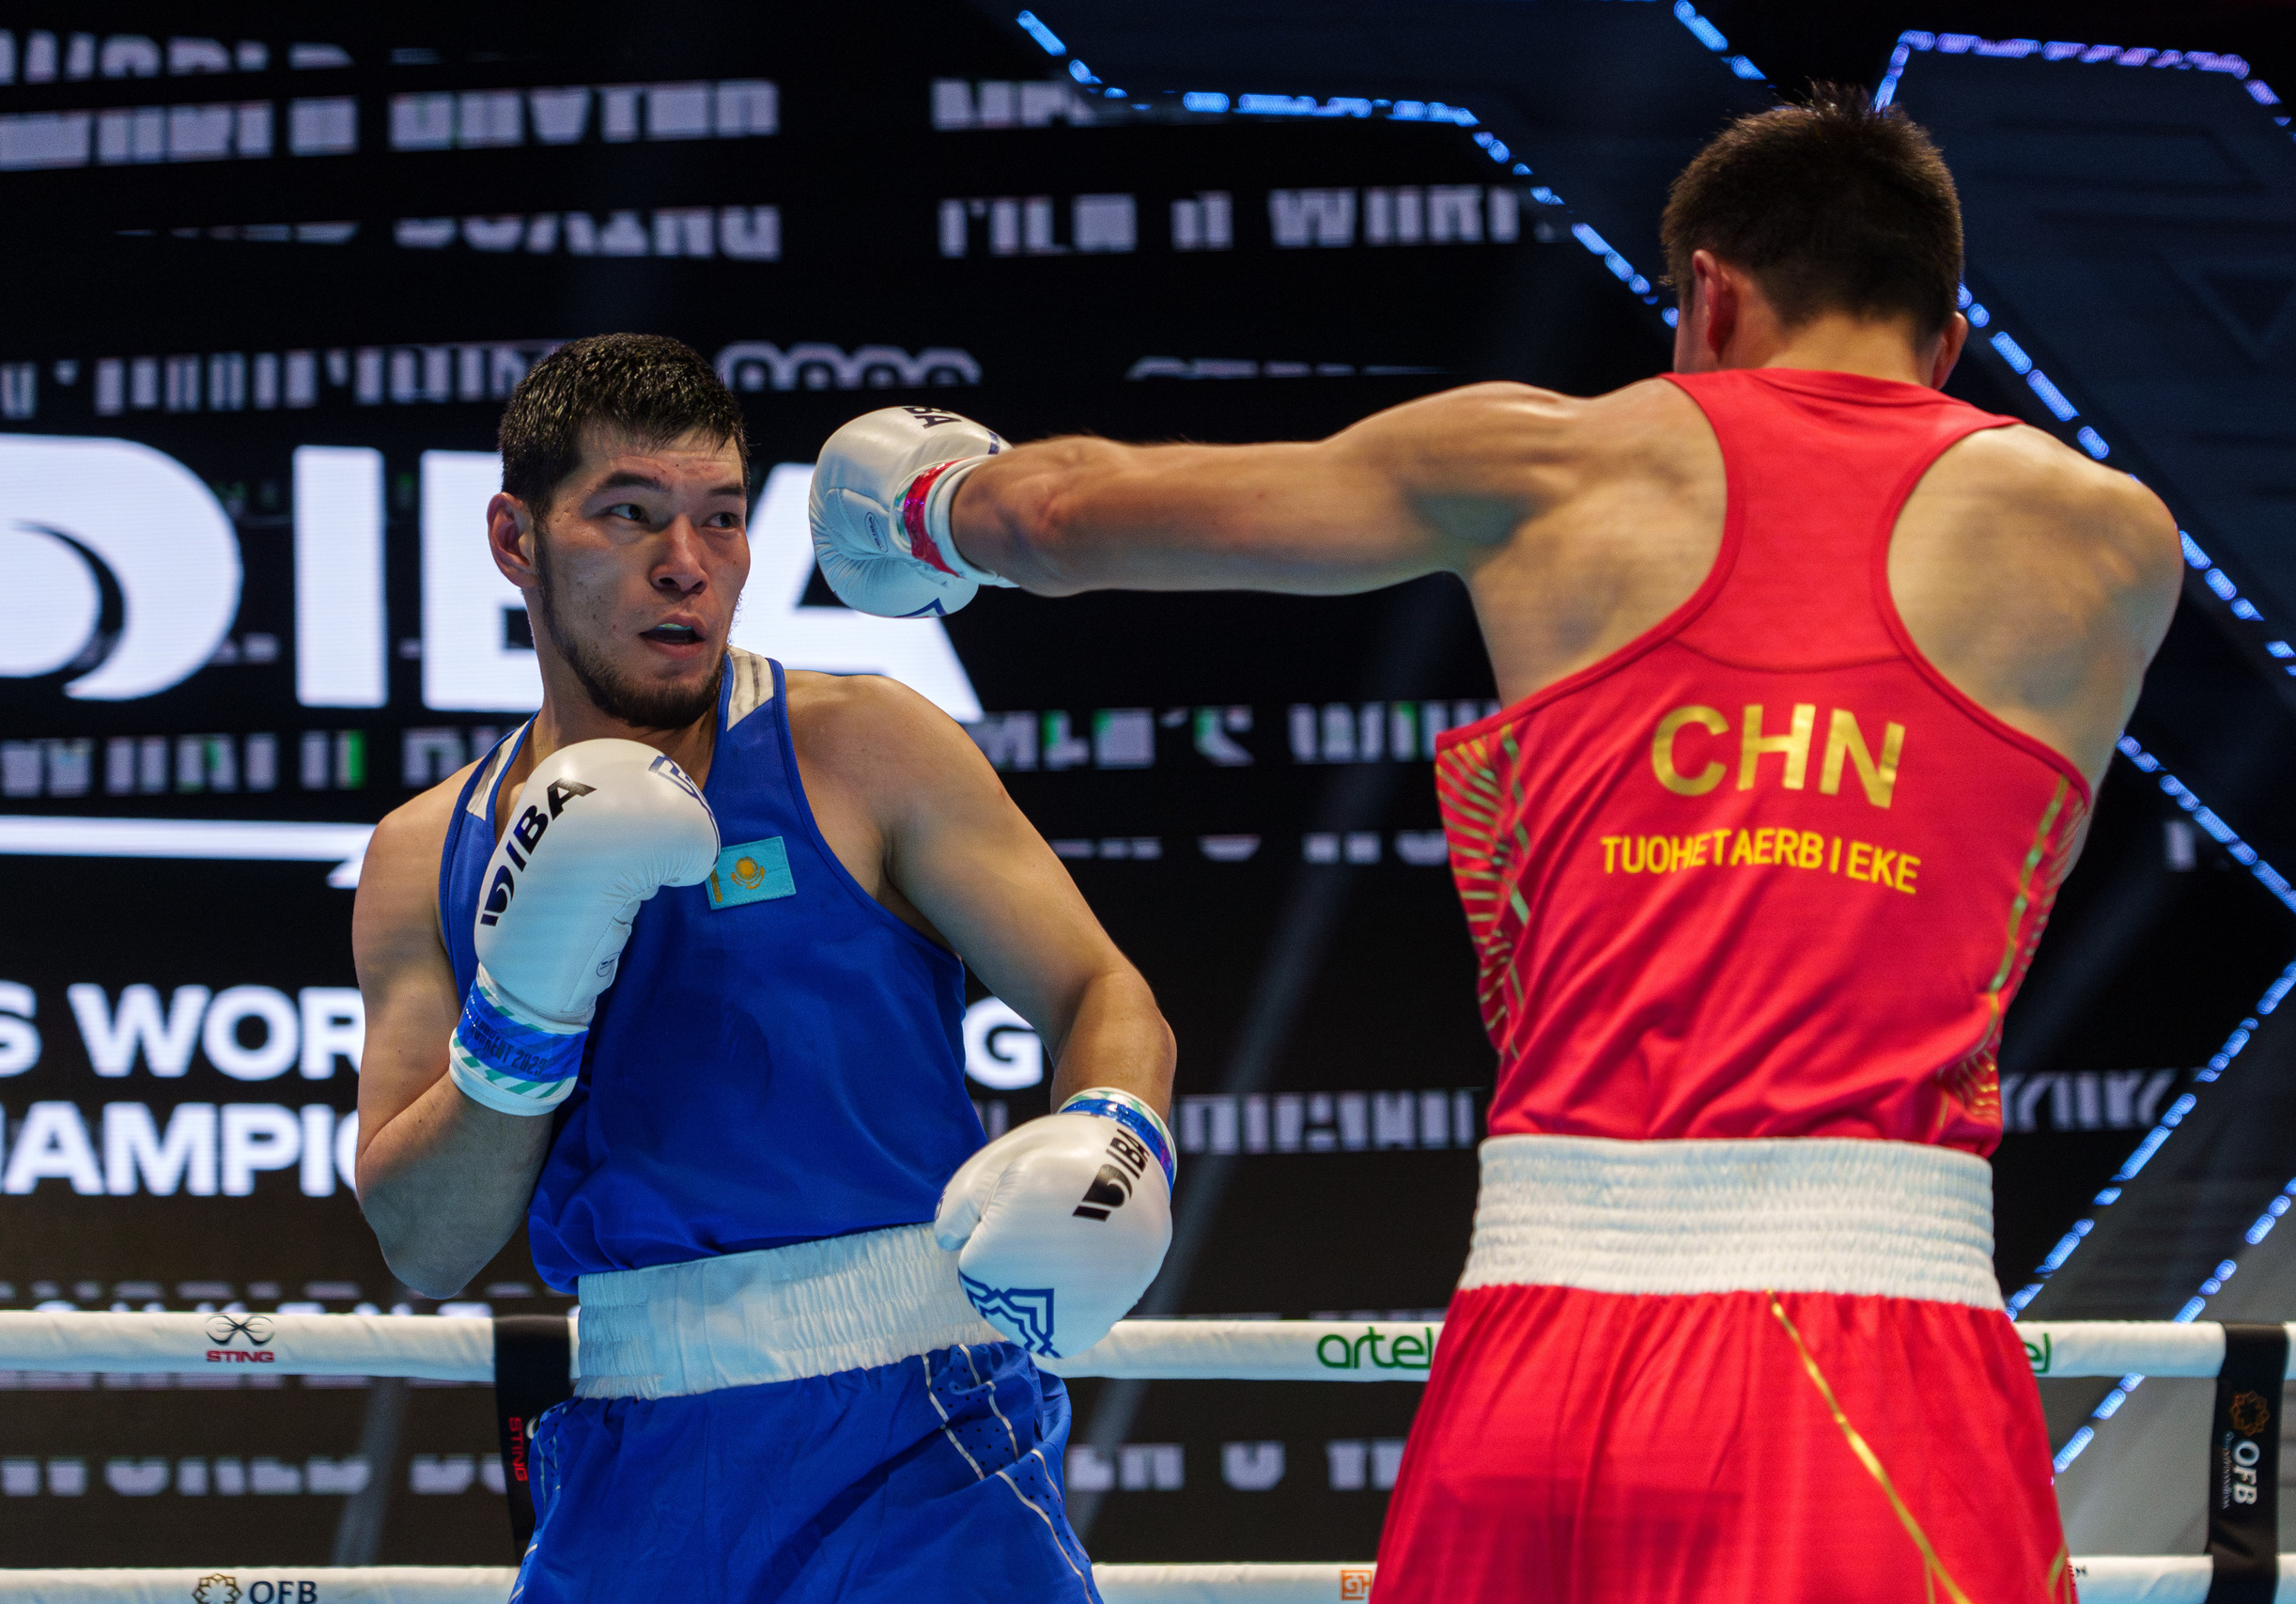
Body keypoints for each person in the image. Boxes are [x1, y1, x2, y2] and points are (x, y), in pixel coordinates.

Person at [811, 90, 2181, 1602]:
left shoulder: (1554, 467)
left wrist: (928, 505)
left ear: (1708, 295)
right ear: (1949, 341)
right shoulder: (2107, 538)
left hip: (1535, 1336)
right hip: (1874, 1342)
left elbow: (1069, 518)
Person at [351, 333, 1177, 1603]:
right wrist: (524, 1019)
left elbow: (1102, 994)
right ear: (516, 540)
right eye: (630, 515)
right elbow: (425, 1242)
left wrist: (1120, 1137)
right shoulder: (427, 851)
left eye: (722, 519)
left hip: (922, 1431)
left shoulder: (862, 746)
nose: (687, 565)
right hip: (632, 1448)